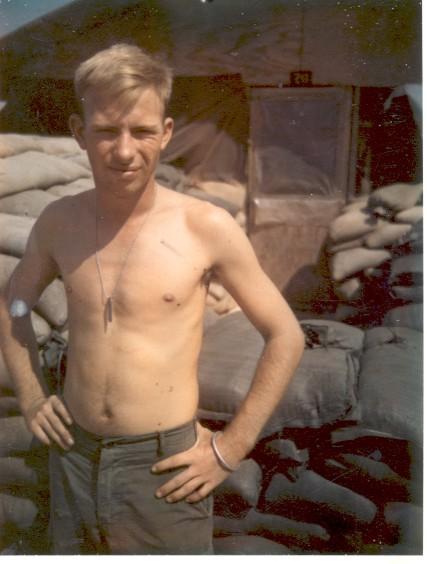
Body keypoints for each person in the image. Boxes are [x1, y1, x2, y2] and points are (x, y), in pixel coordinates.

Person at [0, 43, 305, 555]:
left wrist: (231, 447)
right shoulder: (58, 222)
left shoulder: (204, 226)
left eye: (141, 131)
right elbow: (14, 304)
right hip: (72, 454)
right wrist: (31, 396)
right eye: (106, 131)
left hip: (163, 469)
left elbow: (286, 335)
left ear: (165, 133)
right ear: (79, 132)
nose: (124, 151)